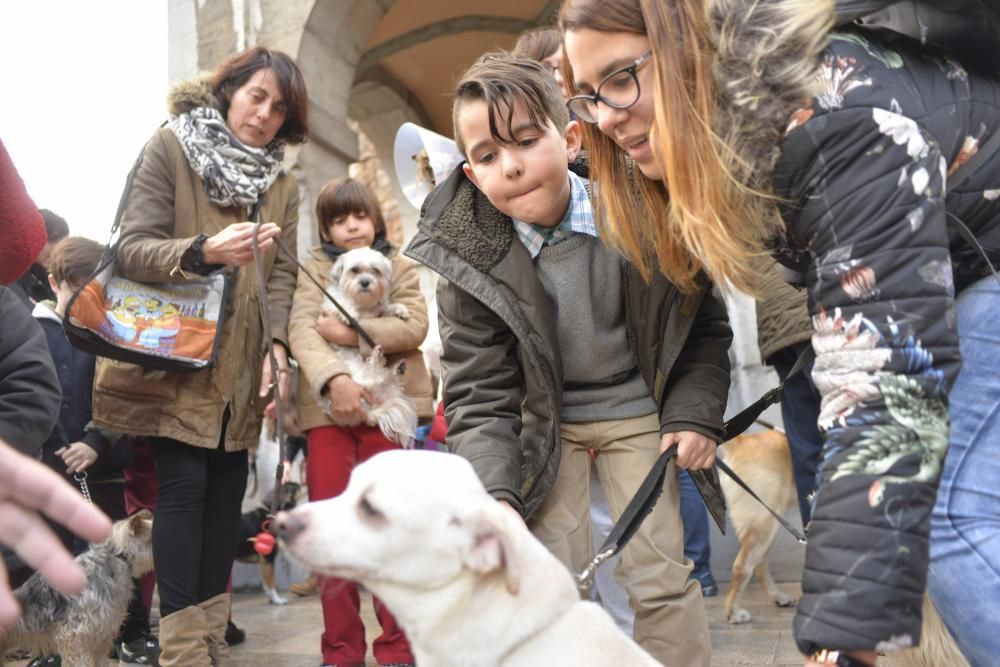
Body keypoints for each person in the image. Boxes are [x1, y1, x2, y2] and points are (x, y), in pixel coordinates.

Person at [560, 2, 1000, 665]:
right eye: (588, 97)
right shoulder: (746, 138)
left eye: (621, 77)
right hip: (970, 269)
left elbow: (883, 382)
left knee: (950, 513)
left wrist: (845, 633)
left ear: (686, 48)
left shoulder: (823, 114)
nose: (608, 114)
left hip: (985, 269)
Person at [405, 52, 732, 665]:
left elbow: (701, 325)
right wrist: (494, 491)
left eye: (527, 141)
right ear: (472, 176)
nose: (512, 166)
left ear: (570, 135)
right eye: (488, 157)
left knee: (659, 574)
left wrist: (693, 414)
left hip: (639, 410)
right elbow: (479, 388)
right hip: (545, 423)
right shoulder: (467, 258)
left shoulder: (642, 206)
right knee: (556, 580)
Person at [90, 45, 308, 667]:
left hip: (240, 371)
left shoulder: (282, 186)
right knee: (183, 485)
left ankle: (210, 641)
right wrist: (204, 250)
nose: (264, 114)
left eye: (279, 107)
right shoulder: (171, 147)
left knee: (226, 487)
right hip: (174, 361)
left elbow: (284, 277)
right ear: (229, 89)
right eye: (256, 96)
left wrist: (278, 349)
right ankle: (181, 652)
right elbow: (131, 249)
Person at [289, 176, 433, 667]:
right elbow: (302, 333)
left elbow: (413, 324)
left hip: (390, 410)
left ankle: (398, 653)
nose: (352, 227)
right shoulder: (311, 267)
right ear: (326, 228)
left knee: (391, 532)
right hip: (327, 416)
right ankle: (341, 654)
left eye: (360, 216)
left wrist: (350, 333)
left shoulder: (402, 264)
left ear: (376, 219)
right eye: (339, 219)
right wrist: (333, 379)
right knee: (331, 535)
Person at [27, 236, 160, 666]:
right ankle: (52, 645)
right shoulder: (31, 330)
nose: (86, 299)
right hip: (49, 471)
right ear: (53, 283)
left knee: (116, 561)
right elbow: (33, 397)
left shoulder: (110, 331)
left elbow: (120, 396)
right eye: (77, 289)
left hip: (103, 468)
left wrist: (96, 441)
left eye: (95, 290)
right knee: (56, 562)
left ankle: (133, 633)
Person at [755, 260, 822, 526]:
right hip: (813, 309)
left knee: (808, 452)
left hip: (774, 316)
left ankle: (822, 555)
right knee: (854, 442)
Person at [8, 209, 69, 311]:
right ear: (39, 236)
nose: (60, 255)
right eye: (60, 247)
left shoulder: (42, 275)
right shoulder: (7, 277)